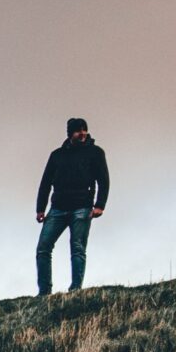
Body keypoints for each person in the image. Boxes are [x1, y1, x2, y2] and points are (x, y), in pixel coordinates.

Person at [35, 118, 109, 295]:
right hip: (58, 207)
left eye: (84, 129)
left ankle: (75, 290)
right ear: (70, 133)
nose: (82, 133)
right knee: (43, 248)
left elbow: (103, 180)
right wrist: (40, 208)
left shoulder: (95, 152)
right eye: (78, 130)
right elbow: (45, 183)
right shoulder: (57, 155)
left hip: (82, 207)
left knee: (77, 248)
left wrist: (100, 205)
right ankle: (44, 292)